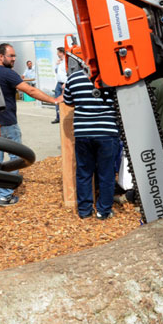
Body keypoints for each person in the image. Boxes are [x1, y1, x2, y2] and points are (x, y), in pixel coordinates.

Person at [0, 43, 61, 206]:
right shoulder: (7, 73)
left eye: (15, 56)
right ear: (1, 57)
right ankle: (4, 195)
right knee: (15, 158)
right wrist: (54, 100)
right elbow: (31, 91)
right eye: (11, 56)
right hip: (7, 122)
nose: (14, 59)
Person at [63, 67, 120, 220]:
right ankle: (103, 210)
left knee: (84, 172)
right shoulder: (113, 75)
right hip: (107, 131)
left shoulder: (73, 78)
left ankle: (85, 210)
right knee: (106, 173)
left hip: (83, 132)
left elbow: (68, 101)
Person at [51, 47, 67, 124]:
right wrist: (57, 65)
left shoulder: (67, 62)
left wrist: (66, 82)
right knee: (57, 100)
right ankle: (58, 117)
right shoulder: (60, 62)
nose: (57, 54)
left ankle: (66, 117)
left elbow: (69, 73)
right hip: (59, 83)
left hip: (65, 83)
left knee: (65, 100)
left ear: (61, 52)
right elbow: (56, 71)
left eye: (58, 52)